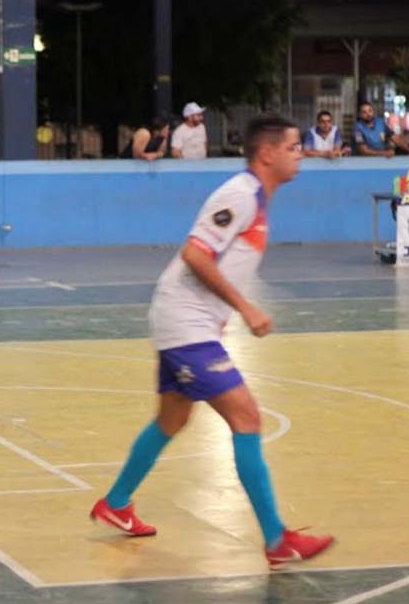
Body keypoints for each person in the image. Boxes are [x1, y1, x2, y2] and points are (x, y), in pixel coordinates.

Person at [89, 114, 334, 566]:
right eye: (294, 146)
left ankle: (116, 503)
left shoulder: (256, 199)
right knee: (247, 417)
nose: (300, 154)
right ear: (267, 153)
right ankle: (277, 542)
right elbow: (195, 255)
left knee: (171, 420)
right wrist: (246, 307)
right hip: (186, 324)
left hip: (187, 322)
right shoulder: (239, 195)